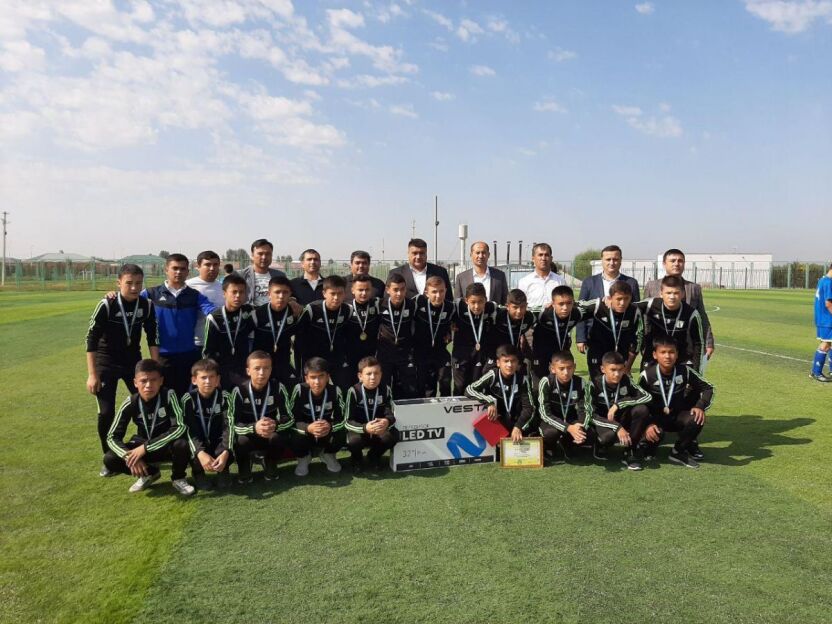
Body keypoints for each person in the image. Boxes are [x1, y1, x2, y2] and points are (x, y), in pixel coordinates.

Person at [86, 264, 159, 474]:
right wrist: (92, 374)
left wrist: (155, 368)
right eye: (129, 283)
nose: (134, 288)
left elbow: (153, 336)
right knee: (106, 412)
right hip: (105, 362)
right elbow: (90, 340)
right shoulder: (107, 305)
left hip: (132, 362)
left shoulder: (146, 305)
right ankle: (109, 458)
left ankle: (147, 450)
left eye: (138, 283)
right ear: (119, 283)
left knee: (147, 404)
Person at [103, 359, 194, 496]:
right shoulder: (131, 402)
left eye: (153, 380)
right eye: (143, 381)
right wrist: (129, 457)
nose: (148, 385)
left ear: (161, 381)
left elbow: (179, 427)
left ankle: (178, 477)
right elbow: (112, 437)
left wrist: (145, 447)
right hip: (142, 447)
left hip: (165, 447)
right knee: (110, 459)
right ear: (135, 383)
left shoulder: (169, 396)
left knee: (182, 444)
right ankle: (149, 473)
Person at [142, 253, 216, 395]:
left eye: (182, 269)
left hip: (189, 355)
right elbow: (130, 301)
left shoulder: (194, 295)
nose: (178, 272)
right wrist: (113, 296)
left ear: (188, 271)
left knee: (187, 397)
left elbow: (212, 311)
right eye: (175, 268)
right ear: (166, 270)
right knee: (165, 398)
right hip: (162, 356)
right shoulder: (151, 293)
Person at [639, 336, 714, 468]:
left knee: (696, 418)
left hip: (676, 417)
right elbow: (638, 403)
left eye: (671, 352)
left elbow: (708, 388)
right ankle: (647, 446)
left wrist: (700, 406)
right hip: (655, 420)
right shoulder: (647, 375)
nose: (667, 356)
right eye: (663, 352)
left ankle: (678, 451)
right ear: (655, 355)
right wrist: (647, 425)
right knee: (655, 436)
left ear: (677, 354)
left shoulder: (684, 371)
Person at [230, 351, 295, 484]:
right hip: (248, 434)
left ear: (271, 370)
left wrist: (274, 424)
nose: (262, 373)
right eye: (257, 368)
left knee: (277, 437)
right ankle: (244, 466)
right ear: (248, 371)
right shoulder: (239, 391)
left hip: (269, 432)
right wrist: (254, 427)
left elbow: (289, 418)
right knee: (240, 441)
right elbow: (233, 424)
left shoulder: (278, 387)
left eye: (266, 368)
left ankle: (270, 463)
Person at [643, 248, 714, 363]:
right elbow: (645, 318)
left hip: (686, 348)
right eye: (672, 261)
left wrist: (709, 342)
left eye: (680, 261)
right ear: (664, 264)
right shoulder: (652, 286)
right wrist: (645, 344)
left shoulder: (694, 288)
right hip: (659, 347)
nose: (676, 264)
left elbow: (702, 316)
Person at [586, 351, 652, 471]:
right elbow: (590, 415)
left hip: (623, 419)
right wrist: (617, 427)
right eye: (613, 370)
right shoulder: (593, 384)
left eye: (620, 369)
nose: (617, 374)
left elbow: (647, 396)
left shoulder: (626, 380)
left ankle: (630, 451)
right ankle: (600, 445)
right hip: (603, 422)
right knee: (607, 437)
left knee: (641, 410)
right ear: (603, 369)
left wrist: (619, 404)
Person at [465, 344, 535, 443]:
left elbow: (529, 408)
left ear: (518, 363)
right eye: (506, 361)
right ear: (498, 363)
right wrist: (489, 401)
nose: (509, 365)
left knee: (531, 428)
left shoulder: (523, 379)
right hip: (496, 420)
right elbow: (470, 389)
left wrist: (518, 427)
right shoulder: (492, 375)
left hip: (516, 422)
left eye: (513, 361)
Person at [576, 245, 640, 350]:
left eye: (615, 259)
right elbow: (581, 311)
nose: (612, 262)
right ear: (602, 260)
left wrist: (634, 342)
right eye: (608, 259)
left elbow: (636, 313)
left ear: (620, 260)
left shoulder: (631, 283)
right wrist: (580, 338)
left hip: (622, 337)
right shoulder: (589, 282)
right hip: (596, 337)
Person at [181, 358, 232, 490]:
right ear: (194, 380)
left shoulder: (225, 397)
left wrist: (226, 451)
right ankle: (198, 472)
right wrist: (199, 452)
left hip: (218, 443)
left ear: (217, 379)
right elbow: (189, 430)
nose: (208, 381)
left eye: (211, 377)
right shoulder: (188, 399)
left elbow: (228, 427)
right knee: (185, 442)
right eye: (203, 377)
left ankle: (223, 469)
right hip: (200, 443)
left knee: (233, 438)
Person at [295, 275, 353, 392]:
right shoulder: (312, 309)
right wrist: (303, 364)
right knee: (313, 390)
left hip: (337, 358)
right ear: (324, 293)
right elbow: (299, 339)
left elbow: (348, 336)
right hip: (314, 358)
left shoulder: (348, 310)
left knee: (344, 388)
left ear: (345, 294)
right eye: (332, 293)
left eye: (340, 293)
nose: (336, 297)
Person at [289, 357, 345, 476]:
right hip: (306, 433)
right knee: (293, 434)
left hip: (326, 431)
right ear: (306, 378)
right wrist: (308, 428)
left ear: (328, 377)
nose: (317, 382)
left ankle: (328, 454)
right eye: (313, 377)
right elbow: (292, 419)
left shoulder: (335, 391)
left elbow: (342, 419)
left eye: (321, 376)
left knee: (341, 431)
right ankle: (303, 457)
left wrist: (329, 426)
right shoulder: (299, 390)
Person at [637, 275, 704, 373]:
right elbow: (628, 308)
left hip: (680, 360)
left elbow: (698, 343)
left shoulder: (691, 313)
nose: (672, 297)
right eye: (668, 293)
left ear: (683, 294)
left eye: (676, 293)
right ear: (661, 293)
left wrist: (696, 371)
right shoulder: (650, 305)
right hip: (652, 359)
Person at [202, 273, 257, 390]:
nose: (238, 296)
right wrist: (214, 376)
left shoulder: (249, 311)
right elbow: (208, 351)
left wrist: (292, 301)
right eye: (234, 292)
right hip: (222, 369)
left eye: (241, 292)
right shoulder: (214, 318)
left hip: (243, 368)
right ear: (224, 293)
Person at [344, 356, 398, 471]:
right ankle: (357, 458)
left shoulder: (386, 389)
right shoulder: (353, 391)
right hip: (360, 430)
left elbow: (391, 415)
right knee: (353, 441)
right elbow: (347, 421)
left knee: (393, 436)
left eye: (376, 373)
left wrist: (386, 421)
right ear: (360, 376)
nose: (373, 377)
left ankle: (374, 456)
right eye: (368, 374)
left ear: (381, 375)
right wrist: (365, 428)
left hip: (378, 430)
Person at [581, 281, 643, 379]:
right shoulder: (599, 306)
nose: (622, 303)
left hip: (621, 357)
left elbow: (638, 339)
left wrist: (628, 366)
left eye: (626, 299)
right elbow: (576, 307)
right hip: (597, 355)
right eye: (619, 299)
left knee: (619, 385)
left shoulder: (634, 311)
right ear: (610, 298)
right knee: (598, 384)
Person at [530, 285, 590, 381]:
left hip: (562, 353)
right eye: (561, 304)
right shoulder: (542, 313)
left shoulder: (577, 312)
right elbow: (520, 311)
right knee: (540, 384)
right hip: (541, 354)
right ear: (553, 304)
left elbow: (597, 305)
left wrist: (607, 300)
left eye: (569, 303)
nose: (565, 308)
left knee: (564, 383)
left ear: (573, 302)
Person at [252, 275, 304, 387]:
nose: (281, 296)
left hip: (284, 363)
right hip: (262, 365)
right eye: (277, 292)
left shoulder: (295, 312)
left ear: (290, 294)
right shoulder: (257, 314)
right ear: (269, 294)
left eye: (285, 292)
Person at [537, 351, 590, 458]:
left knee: (590, 434)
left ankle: (568, 443)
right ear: (552, 369)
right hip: (551, 420)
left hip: (571, 419)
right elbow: (545, 414)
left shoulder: (581, 382)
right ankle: (549, 446)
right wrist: (568, 428)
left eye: (569, 368)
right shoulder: (546, 382)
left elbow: (584, 409)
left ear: (574, 367)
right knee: (550, 433)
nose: (566, 372)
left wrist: (580, 426)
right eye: (561, 368)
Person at [377, 273, 419, 399]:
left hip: (405, 354)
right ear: (387, 290)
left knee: (407, 390)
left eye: (402, 289)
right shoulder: (380, 305)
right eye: (395, 290)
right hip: (385, 353)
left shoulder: (412, 305)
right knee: (384, 388)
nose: (399, 293)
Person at [413, 276, 456, 396]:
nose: (438, 295)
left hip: (440, 350)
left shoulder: (450, 307)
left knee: (445, 380)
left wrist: (451, 333)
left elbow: (456, 323)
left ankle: (445, 405)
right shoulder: (418, 302)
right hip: (421, 351)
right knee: (424, 385)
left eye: (441, 291)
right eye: (434, 292)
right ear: (426, 293)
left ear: (446, 290)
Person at [453, 283, 497, 393]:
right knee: (460, 386)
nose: (477, 306)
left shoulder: (492, 308)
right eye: (473, 302)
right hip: (461, 353)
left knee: (476, 386)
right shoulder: (458, 307)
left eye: (480, 302)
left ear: (486, 300)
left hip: (480, 353)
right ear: (466, 300)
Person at [481, 289, 536, 368]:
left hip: (514, 354)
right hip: (495, 355)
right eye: (515, 307)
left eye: (522, 307)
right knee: (489, 373)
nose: (519, 311)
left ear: (526, 305)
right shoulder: (497, 315)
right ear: (507, 306)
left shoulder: (530, 317)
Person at [388, 238, 452, 300]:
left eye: (422, 253)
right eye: (414, 253)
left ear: (426, 254)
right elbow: (387, 300)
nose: (418, 257)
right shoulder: (395, 273)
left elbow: (449, 299)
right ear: (408, 254)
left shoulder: (441, 272)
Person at [186, 250, 225, 350]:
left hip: (218, 342)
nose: (212, 268)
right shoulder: (188, 286)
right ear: (198, 266)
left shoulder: (224, 288)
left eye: (215, 265)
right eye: (207, 265)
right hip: (194, 343)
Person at [345, 273, 382, 374]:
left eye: (367, 290)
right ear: (353, 290)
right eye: (360, 290)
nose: (364, 293)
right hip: (351, 356)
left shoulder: (377, 305)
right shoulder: (346, 308)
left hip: (372, 355)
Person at [517, 243, 565, 310]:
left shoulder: (560, 281)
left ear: (551, 258)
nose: (543, 258)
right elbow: (519, 306)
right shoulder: (524, 282)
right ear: (533, 259)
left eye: (546, 255)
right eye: (540, 255)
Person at [238, 238, 286, 307]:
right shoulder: (241, 276)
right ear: (252, 255)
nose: (264, 257)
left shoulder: (280, 276)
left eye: (268, 254)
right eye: (260, 254)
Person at [811, 263, 832, 382]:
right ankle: (816, 373)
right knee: (825, 345)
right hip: (827, 320)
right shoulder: (829, 282)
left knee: (829, 343)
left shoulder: (822, 280)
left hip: (822, 318)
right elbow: (828, 304)